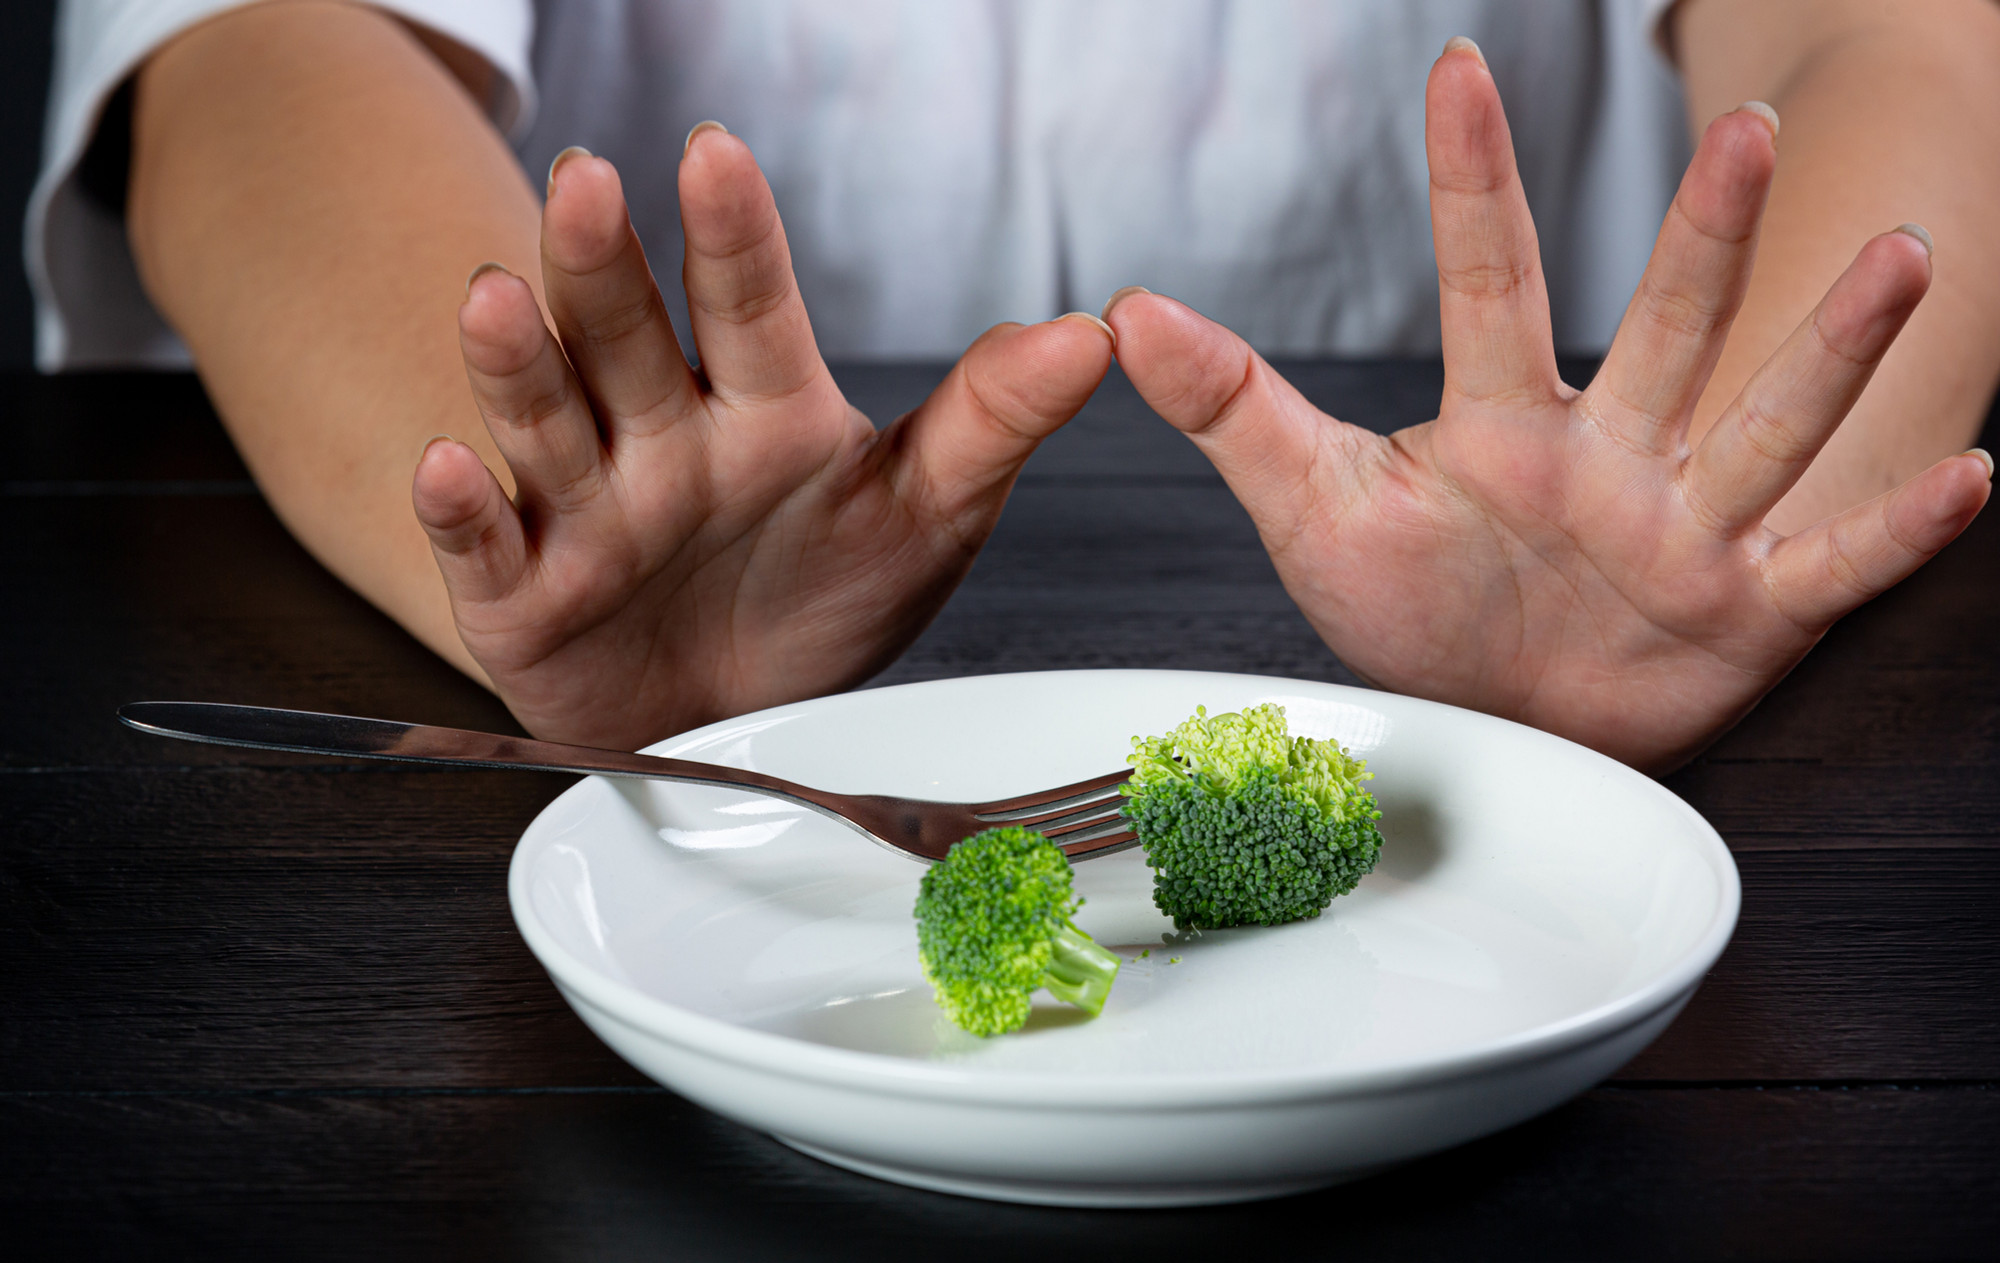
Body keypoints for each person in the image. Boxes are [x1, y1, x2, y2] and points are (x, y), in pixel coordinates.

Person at [27, 0, 2000, 773]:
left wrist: (1689, 511)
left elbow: (1908, 37)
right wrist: (541, 509)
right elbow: (254, 53)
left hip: (1489, 652)